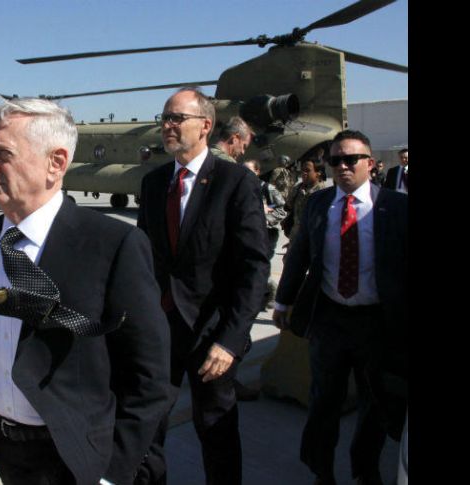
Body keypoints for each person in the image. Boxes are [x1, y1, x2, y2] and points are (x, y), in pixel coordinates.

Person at [0, 97, 171, 485]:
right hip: (5, 448)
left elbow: (149, 377)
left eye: (2, 154)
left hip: (77, 458)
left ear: (56, 163)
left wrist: (113, 470)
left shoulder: (113, 244)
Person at [137, 88, 270, 484]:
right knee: (146, 428)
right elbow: (144, 257)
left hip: (210, 335)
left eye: (178, 118)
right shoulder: (154, 182)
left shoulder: (235, 183)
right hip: (160, 330)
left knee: (216, 430)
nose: (168, 125)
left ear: (205, 126)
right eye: (165, 117)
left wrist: (230, 340)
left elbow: (253, 267)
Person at [272, 130, 408, 485]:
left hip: (376, 323)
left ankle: (365, 470)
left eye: (351, 159)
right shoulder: (319, 204)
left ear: (371, 164)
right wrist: (284, 299)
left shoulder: (396, 207)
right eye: (335, 161)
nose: (343, 166)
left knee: (374, 404)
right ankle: (322, 471)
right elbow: (299, 253)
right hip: (329, 319)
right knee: (323, 403)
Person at [243, 159, 287, 309]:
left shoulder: (267, 189)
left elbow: (282, 210)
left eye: (250, 170)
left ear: (257, 172)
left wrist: (264, 217)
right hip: (247, 232)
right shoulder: (240, 187)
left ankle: (269, 290)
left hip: (266, 233)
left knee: (260, 265)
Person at [283, 157, 327, 248]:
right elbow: (288, 206)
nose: (303, 173)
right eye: (302, 170)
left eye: (307, 170)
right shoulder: (298, 188)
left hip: (313, 241)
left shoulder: (324, 193)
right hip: (295, 238)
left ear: (318, 173)